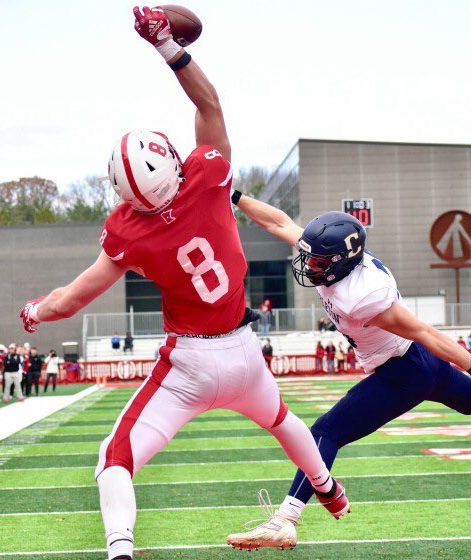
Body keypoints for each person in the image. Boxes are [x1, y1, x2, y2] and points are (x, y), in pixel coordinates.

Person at [19, 10, 342, 557]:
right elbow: (209, 105)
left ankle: (120, 549)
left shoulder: (127, 232)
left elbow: (71, 300)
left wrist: (35, 310)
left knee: (114, 459)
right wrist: (167, 45)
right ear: (172, 162)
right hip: (244, 352)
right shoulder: (209, 173)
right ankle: (329, 490)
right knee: (283, 419)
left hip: (188, 363)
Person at [224, 203, 471, 549]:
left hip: (403, 370)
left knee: (325, 432)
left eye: (317, 262)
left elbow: (423, 331)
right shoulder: (336, 259)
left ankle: (285, 519)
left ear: (341, 262)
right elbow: (279, 222)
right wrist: (234, 195)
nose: (308, 266)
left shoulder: (361, 295)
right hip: (416, 362)